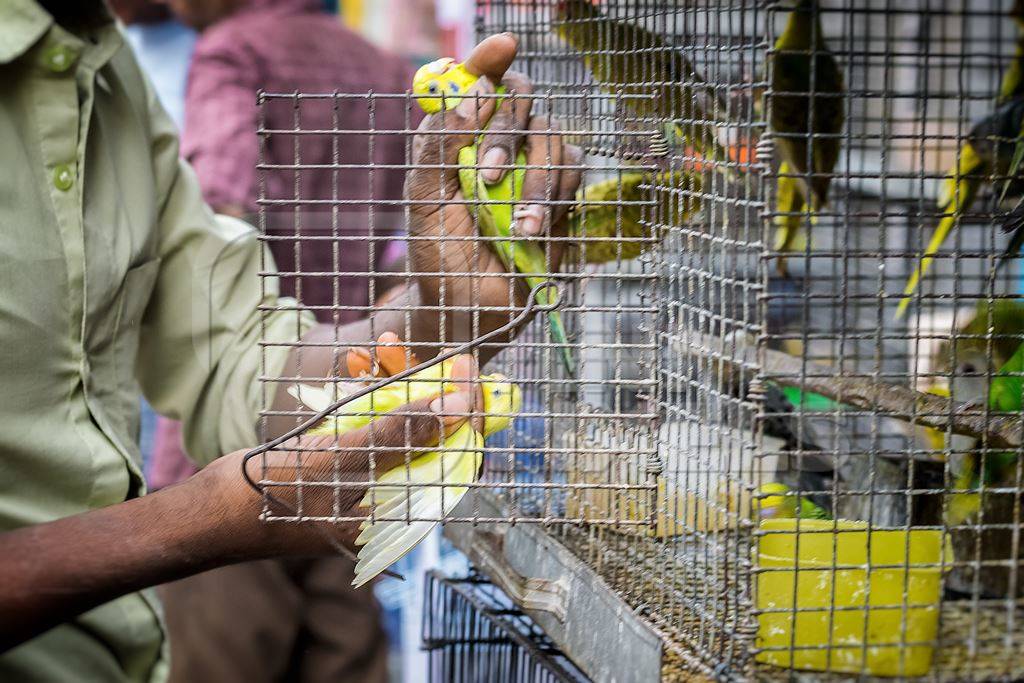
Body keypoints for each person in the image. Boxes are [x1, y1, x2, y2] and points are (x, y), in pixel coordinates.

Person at [0, 1, 582, 679]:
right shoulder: (377, 65)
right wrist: (200, 518)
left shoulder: (144, 65)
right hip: (276, 476)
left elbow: (239, 332)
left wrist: (448, 311)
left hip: (313, 451)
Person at [154, 1, 416, 680]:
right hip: (347, 436)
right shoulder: (385, 70)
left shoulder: (234, 53)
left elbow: (216, 210)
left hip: (226, 462)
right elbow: (406, 258)